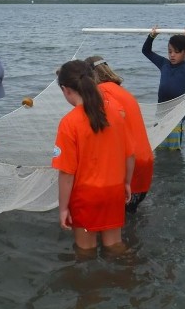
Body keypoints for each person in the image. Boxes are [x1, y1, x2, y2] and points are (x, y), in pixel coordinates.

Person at [52, 60, 135, 258]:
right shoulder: (115, 113)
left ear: (66, 90)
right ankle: (129, 276)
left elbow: (66, 174)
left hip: (86, 199)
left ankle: (91, 287)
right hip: (114, 191)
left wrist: (63, 208)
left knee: (85, 251)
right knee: (115, 244)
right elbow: (130, 155)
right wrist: (126, 183)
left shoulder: (69, 123)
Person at [85, 56, 154, 214]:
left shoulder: (101, 93)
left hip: (129, 168)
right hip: (145, 163)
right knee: (129, 218)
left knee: (113, 225)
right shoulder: (122, 91)